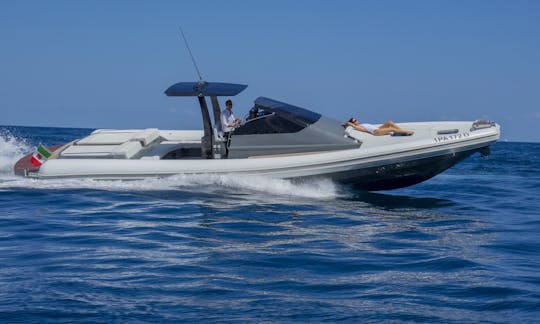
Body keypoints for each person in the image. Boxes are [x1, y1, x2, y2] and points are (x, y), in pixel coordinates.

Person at [346, 117, 414, 136]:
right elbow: (355, 127)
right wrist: (348, 123)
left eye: (356, 120)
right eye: (355, 121)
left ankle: (402, 132)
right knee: (391, 129)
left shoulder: (362, 124)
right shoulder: (359, 127)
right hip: (376, 132)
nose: (356, 121)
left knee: (389, 122)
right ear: (353, 123)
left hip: (378, 129)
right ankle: (406, 132)